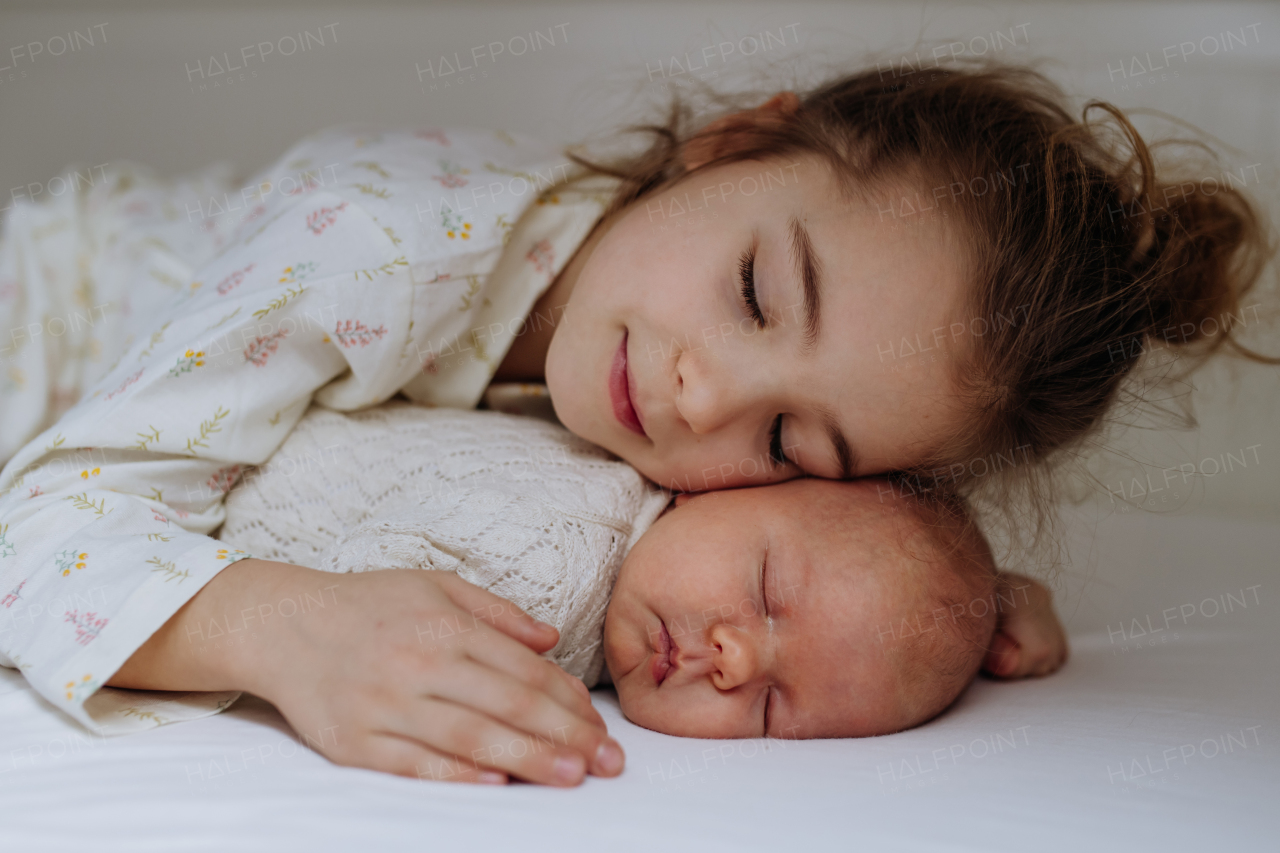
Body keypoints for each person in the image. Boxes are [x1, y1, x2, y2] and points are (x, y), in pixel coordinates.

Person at [0, 62, 1265, 787]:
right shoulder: (376, 239)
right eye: (756, 294)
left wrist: (963, 591)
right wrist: (283, 631)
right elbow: (43, 516)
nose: (702, 395)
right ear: (731, 142)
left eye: (789, 446)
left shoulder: (709, 371)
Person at [210, 401, 1061, 777]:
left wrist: (977, 603)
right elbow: (361, 628)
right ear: (717, 484)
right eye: (765, 592)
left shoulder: (643, 498)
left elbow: (863, 586)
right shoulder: (546, 576)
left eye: (770, 705)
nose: (732, 657)